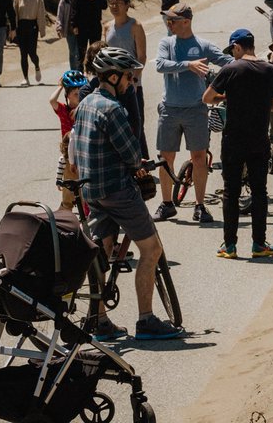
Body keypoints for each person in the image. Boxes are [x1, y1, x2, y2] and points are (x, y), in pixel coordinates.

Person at [69, 46, 183, 341]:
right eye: (129, 77)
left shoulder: (85, 103)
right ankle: (146, 320)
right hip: (116, 190)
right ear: (114, 76)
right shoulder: (113, 109)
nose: (132, 83)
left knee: (101, 253)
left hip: (91, 190)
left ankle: (100, 320)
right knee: (151, 249)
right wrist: (141, 164)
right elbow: (132, 155)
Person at [204, 29, 273, 260]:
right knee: (260, 191)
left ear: (238, 47)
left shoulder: (230, 70)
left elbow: (207, 98)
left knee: (231, 192)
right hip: (259, 139)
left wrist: (228, 98)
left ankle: (229, 246)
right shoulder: (271, 70)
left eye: (232, 50)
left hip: (233, 140)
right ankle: (259, 244)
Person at [152, 3, 231, 224]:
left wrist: (246, 66)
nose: (169, 24)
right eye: (168, 20)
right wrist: (188, 64)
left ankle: (200, 206)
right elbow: (159, 65)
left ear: (186, 21)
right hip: (169, 109)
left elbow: (227, 62)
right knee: (166, 158)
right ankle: (167, 204)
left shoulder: (203, 45)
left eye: (173, 20)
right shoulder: (166, 43)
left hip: (196, 110)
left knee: (199, 158)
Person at [103, 0, 148, 151]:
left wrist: (134, 79)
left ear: (127, 5)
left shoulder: (135, 26)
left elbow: (142, 57)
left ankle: (142, 163)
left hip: (132, 85)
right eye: (111, 3)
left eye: (119, 3)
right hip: (112, 85)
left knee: (136, 125)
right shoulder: (107, 27)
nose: (114, 6)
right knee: (115, 126)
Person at [50, 70, 88, 212]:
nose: (79, 97)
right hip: (69, 157)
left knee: (86, 194)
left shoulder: (86, 109)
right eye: (75, 94)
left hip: (84, 155)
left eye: (81, 93)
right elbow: (52, 101)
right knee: (68, 197)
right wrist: (60, 86)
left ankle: (88, 220)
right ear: (68, 96)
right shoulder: (64, 111)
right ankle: (61, 221)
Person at [11, 0, 46, 86]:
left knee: (32, 52)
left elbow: (41, 14)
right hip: (21, 27)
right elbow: (14, 15)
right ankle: (25, 78)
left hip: (32, 27)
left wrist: (42, 30)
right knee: (23, 54)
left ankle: (37, 66)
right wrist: (13, 30)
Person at [71, 0, 108, 68]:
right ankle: (80, 75)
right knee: (81, 53)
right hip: (82, 26)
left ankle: (96, 73)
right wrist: (74, 25)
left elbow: (104, 5)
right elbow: (74, 9)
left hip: (95, 24)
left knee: (96, 51)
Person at [55, 0, 82, 71]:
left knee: (79, 52)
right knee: (72, 52)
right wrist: (59, 27)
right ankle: (73, 72)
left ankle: (79, 72)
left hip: (81, 29)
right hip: (70, 30)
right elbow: (60, 13)